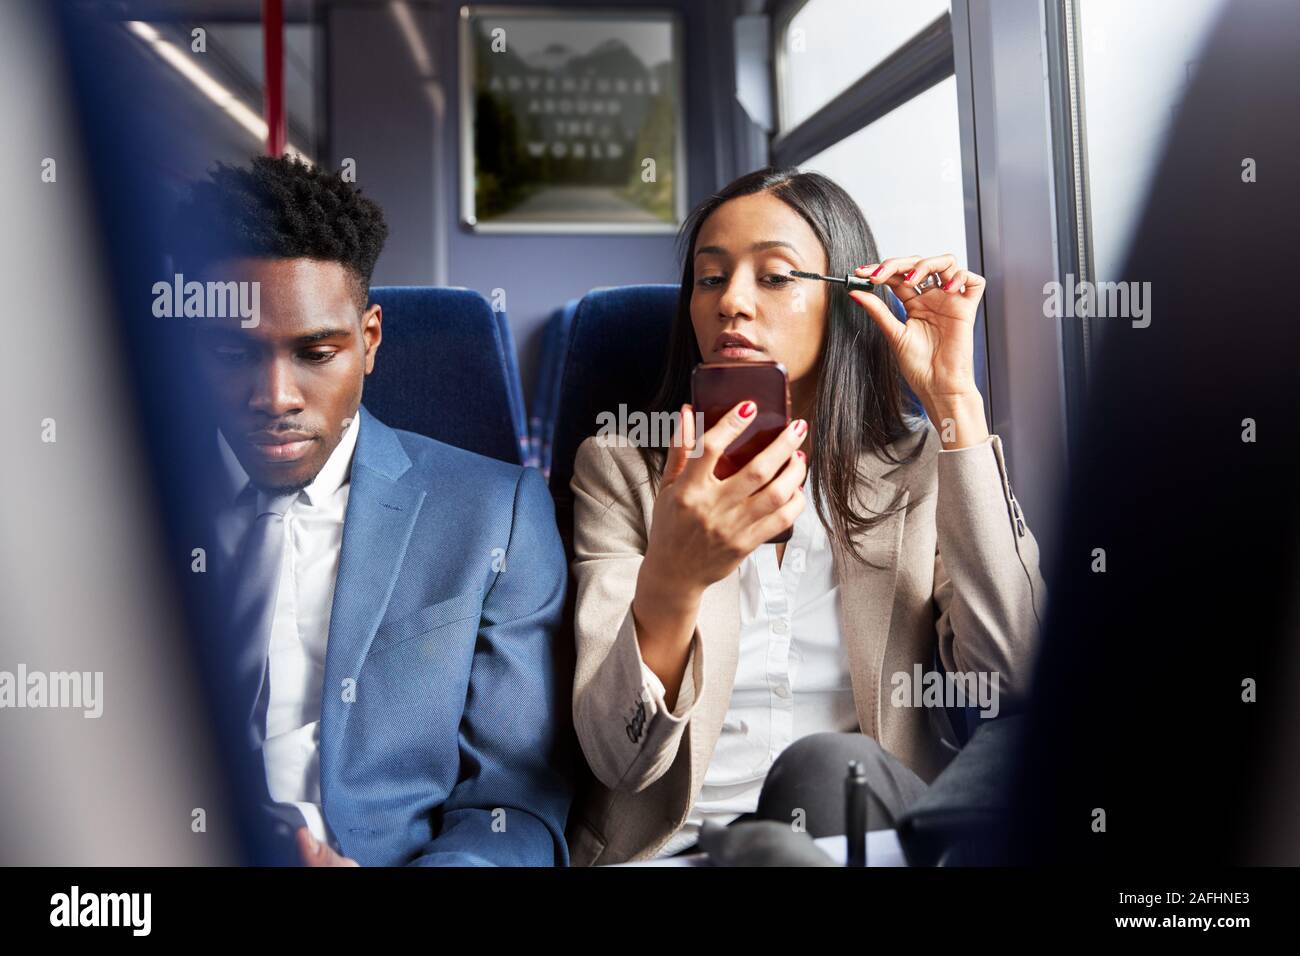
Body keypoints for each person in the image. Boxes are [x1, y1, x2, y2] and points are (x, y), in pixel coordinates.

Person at [566, 167, 1046, 865]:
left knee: (825, 771)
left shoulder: (922, 464)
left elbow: (1016, 678)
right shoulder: (622, 469)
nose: (732, 302)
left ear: (847, 302)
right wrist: (672, 576)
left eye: (775, 277)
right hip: (678, 853)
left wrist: (954, 408)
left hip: (859, 837)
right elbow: (618, 757)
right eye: (709, 278)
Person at [176, 156, 571, 866]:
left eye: (315, 353)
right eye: (232, 353)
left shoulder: (495, 512)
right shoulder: (113, 510)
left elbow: (513, 805)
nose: (276, 397)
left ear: (370, 341)